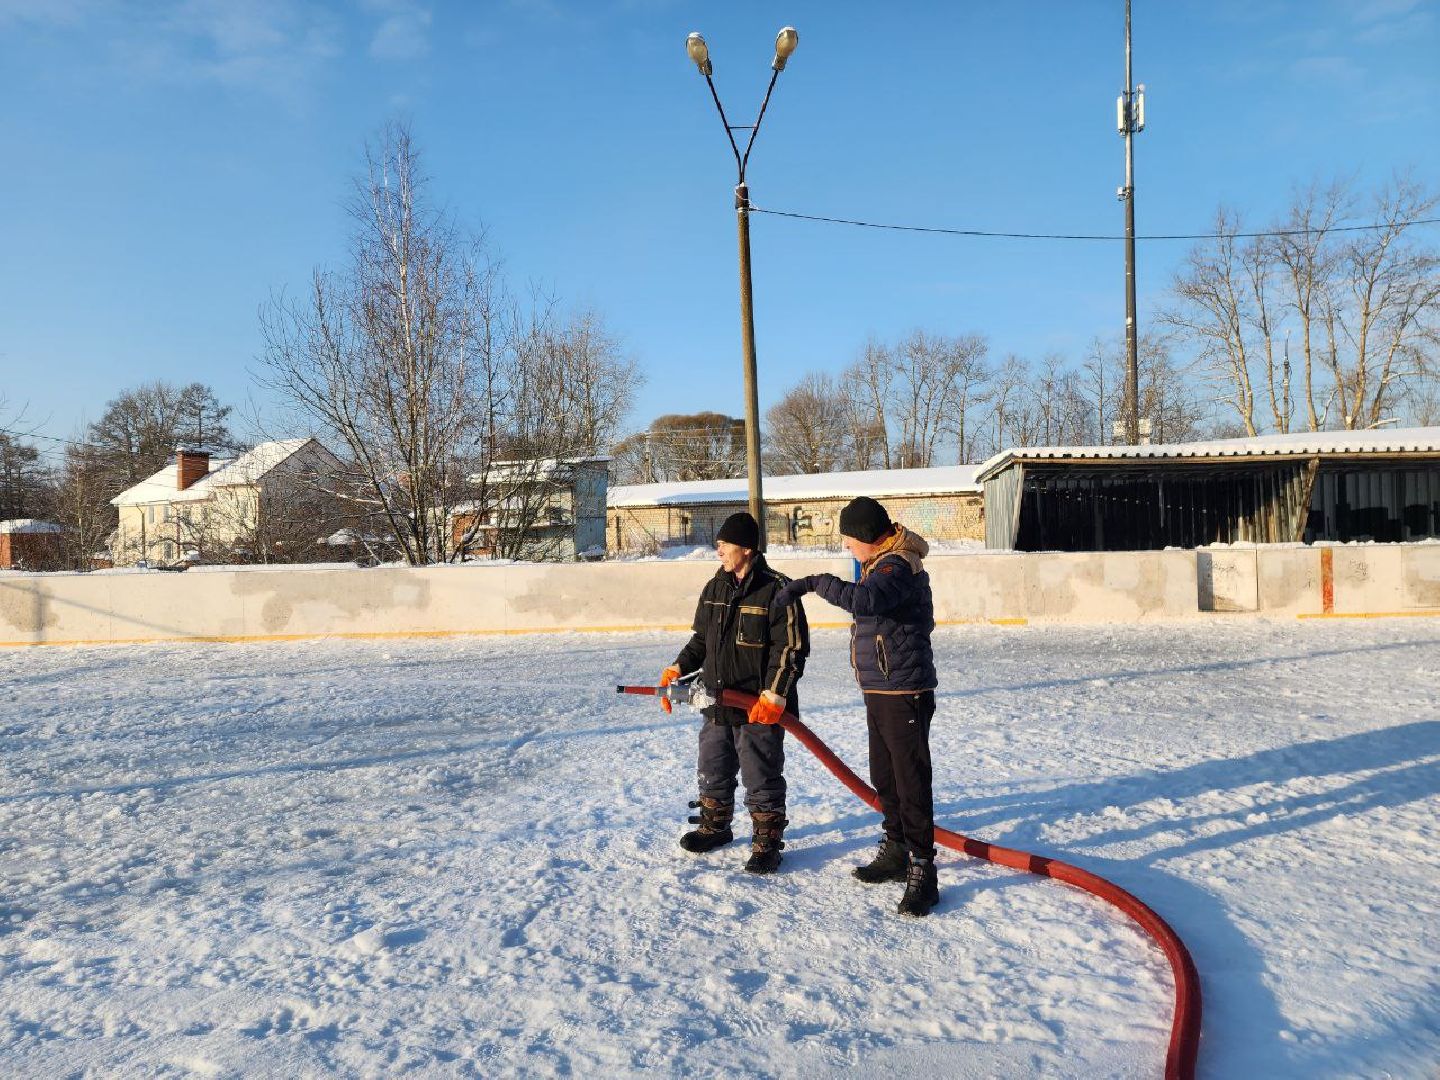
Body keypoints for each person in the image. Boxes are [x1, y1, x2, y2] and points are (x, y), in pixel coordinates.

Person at [773, 496, 940, 916]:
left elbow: (865, 602)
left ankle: (923, 868)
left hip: (904, 689)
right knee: (885, 777)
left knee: (910, 780)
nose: (847, 547)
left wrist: (813, 582)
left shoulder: (898, 564)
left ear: (866, 536)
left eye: (849, 540)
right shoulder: (879, 564)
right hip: (881, 688)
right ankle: (897, 848)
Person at [660, 511, 809, 875]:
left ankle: (766, 842)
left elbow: (790, 651)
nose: (718, 551)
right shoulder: (715, 587)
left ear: (745, 548)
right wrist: (679, 667)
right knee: (712, 767)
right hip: (716, 701)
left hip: (758, 707)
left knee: (760, 774)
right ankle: (715, 826)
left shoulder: (778, 589)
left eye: (724, 544)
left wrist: (775, 696)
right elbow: (702, 640)